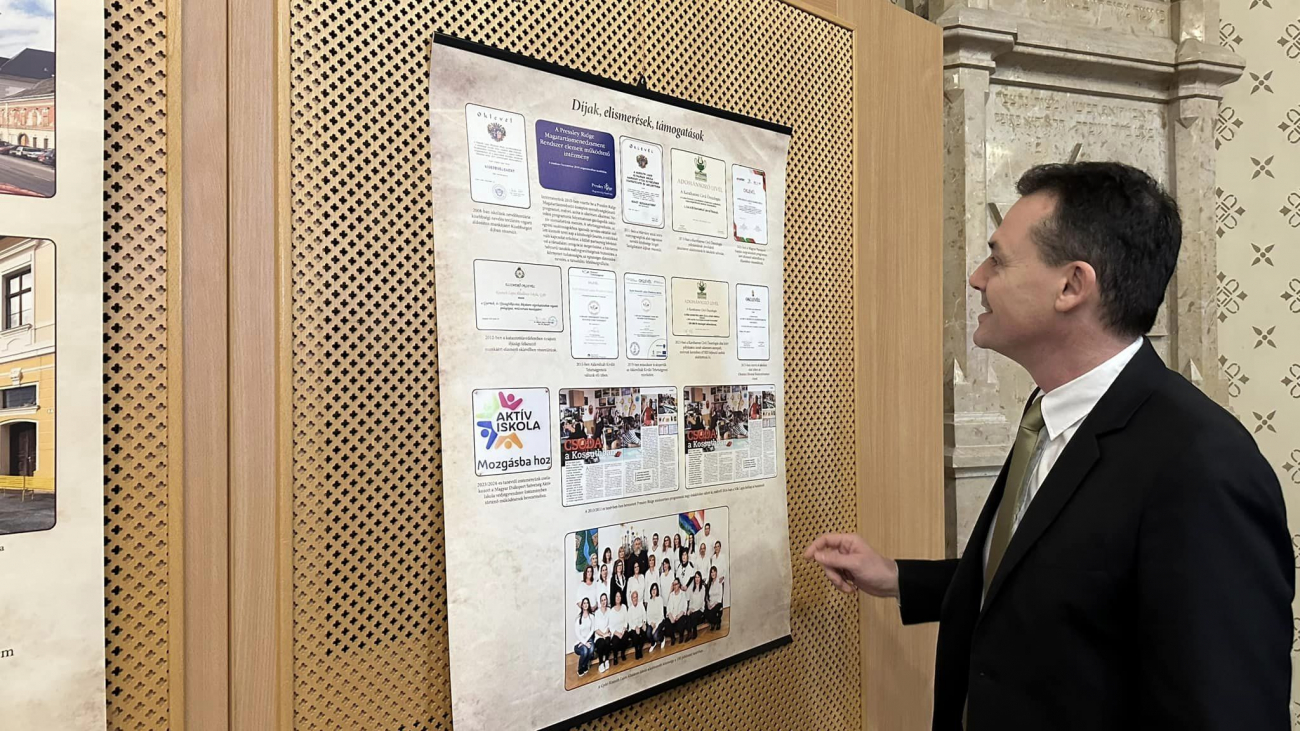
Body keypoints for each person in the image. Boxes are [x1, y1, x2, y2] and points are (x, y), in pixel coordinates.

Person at [804, 162, 1293, 730]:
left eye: (999, 260)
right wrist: (898, 578)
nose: (977, 278)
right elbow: (1056, 580)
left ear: (1071, 286)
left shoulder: (1202, 465)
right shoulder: (1049, 413)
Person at [573, 598, 596, 677]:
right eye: (584, 603)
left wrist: (586, 642)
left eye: (587, 603)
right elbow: (577, 634)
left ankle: (585, 665)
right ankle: (580, 667)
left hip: (588, 639)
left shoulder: (591, 617)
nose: (586, 605)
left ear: (589, 605)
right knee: (585, 651)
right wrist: (584, 642)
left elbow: (592, 630)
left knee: (591, 650)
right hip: (580, 641)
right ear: (582, 605)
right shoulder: (578, 618)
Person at [592, 593, 612, 673]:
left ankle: (606, 659)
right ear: (600, 602)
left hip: (607, 633)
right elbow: (596, 628)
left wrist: (606, 633)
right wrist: (603, 635)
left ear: (607, 600)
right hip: (599, 635)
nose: (604, 602)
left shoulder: (609, 611)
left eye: (605, 600)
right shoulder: (597, 613)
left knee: (607, 640)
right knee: (601, 643)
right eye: (602, 600)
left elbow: (610, 624)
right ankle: (600, 663)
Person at [665, 578, 688, 646]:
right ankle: (673, 638)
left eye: (676, 584)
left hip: (679, 615)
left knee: (681, 621)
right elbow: (668, 607)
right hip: (672, 616)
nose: (675, 586)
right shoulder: (671, 595)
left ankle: (681, 635)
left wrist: (679, 615)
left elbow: (685, 606)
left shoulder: (683, 594)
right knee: (666, 624)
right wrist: (670, 616)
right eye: (674, 584)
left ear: (679, 585)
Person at [626, 590, 648, 660]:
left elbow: (644, 615)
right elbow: (629, 622)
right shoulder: (630, 609)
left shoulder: (641, 605)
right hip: (633, 628)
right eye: (633, 597)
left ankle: (640, 649)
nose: (635, 599)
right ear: (631, 599)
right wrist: (635, 627)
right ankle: (636, 650)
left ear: (637, 598)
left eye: (636, 597)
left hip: (640, 625)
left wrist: (644, 623)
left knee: (644, 633)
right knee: (635, 636)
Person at [608, 592, 628, 665]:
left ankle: (623, 653)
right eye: (617, 596)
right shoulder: (612, 611)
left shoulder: (624, 607)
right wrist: (617, 633)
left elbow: (626, 620)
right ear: (614, 598)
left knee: (625, 636)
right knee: (615, 641)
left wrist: (623, 630)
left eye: (619, 596)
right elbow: (610, 626)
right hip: (615, 632)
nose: (618, 598)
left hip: (623, 630)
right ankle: (615, 657)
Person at [645, 582, 667, 652]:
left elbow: (661, 615)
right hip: (652, 622)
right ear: (650, 591)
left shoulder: (660, 599)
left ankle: (662, 639)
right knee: (648, 633)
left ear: (657, 590)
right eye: (652, 589)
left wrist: (656, 626)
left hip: (660, 621)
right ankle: (653, 643)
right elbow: (648, 615)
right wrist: (651, 623)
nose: (654, 591)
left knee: (655, 636)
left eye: (655, 589)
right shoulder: (649, 601)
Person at [685, 571, 706, 641]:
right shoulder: (692, 588)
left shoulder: (702, 588)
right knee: (688, 615)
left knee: (693, 616)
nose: (697, 579)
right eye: (696, 577)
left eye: (698, 577)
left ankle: (694, 631)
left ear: (700, 578)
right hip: (693, 608)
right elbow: (691, 601)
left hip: (700, 609)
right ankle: (689, 633)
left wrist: (694, 609)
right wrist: (689, 609)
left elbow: (701, 602)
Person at [704, 565, 724, 631]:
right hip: (711, 603)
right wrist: (708, 604)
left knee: (711, 613)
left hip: (717, 603)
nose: (713, 573)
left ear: (716, 572)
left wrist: (713, 605)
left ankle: (718, 622)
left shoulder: (719, 582)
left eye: (714, 572)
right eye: (711, 572)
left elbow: (720, 596)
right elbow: (707, 596)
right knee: (705, 613)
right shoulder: (709, 583)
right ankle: (713, 622)